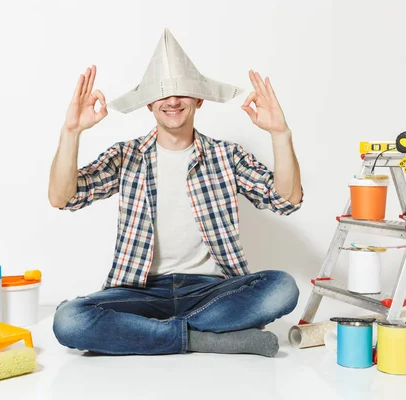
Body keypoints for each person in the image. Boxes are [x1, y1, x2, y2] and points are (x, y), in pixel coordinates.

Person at [48, 29, 303, 357]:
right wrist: (71, 132)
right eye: (162, 94)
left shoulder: (227, 156)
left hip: (210, 290)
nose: (172, 101)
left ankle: (146, 335)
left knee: (283, 288)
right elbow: (62, 197)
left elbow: (286, 199)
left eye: (182, 92)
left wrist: (280, 133)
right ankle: (203, 338)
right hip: (140, 291)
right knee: (69, 320)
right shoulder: (126, 155)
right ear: (149, 103)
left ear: (198, 99)